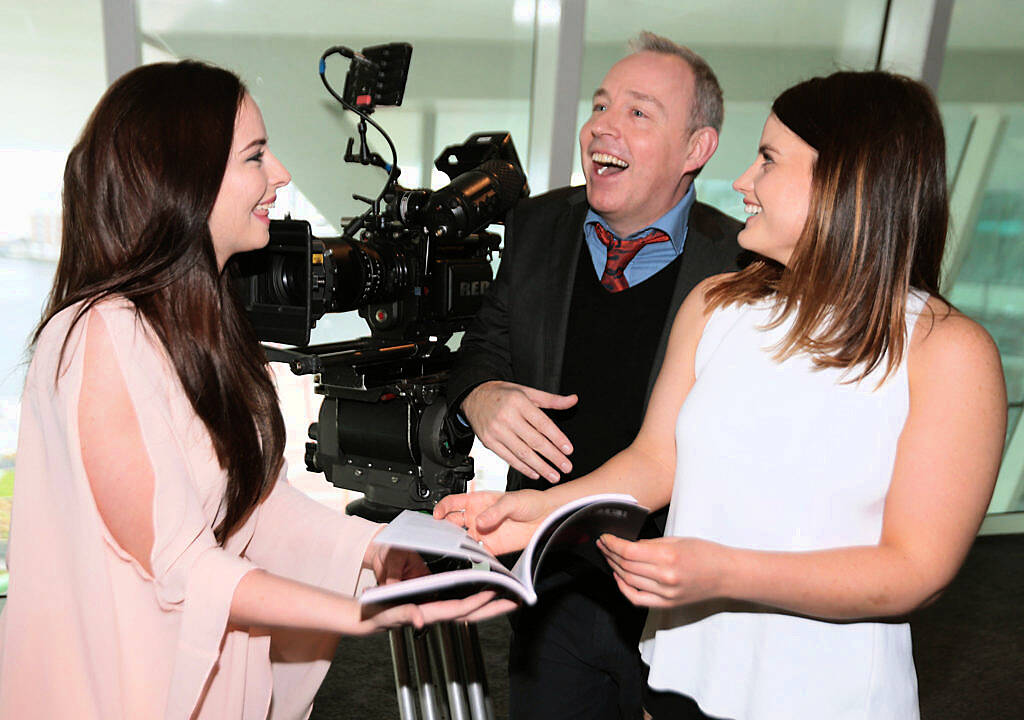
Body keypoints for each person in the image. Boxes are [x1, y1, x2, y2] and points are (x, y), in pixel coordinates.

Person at [437, 70, 1007, 720]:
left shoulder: (949, 352)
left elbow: (916, 571)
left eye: (767, 159)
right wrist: (539, 512)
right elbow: (654, 464)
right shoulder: (715, 306)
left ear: (845, 181)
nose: (742, 181)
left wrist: (725, 573)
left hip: (830, 701)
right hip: (680, 679)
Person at [0, 60, 512, 720]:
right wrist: (361, 611)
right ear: (185, 178)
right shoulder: (103, 332)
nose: (281, 175)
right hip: (129, 684)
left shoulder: (204, 318)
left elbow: (256, 506)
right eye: (256, 156)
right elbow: (181, 562)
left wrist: (376, 551)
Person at [446, 31, 744, 720]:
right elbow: (482, 350)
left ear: (696, 149)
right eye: (601, 104)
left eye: (639, 112)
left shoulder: (742, 266)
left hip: (685, 603)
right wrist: (483, 395)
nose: (602, 125)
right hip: (550, 588)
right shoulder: (537, 224)